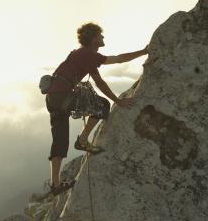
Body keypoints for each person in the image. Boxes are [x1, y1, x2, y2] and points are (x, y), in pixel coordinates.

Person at [45, 22, 148, 195]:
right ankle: (83, 140)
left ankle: (55, 185)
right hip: (64, 96)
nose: (103, 38)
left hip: (53, 99)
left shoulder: (80, 53)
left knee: (60, 141)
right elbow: (100, 81)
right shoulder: (88, 54)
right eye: (100, 36)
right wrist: (118, 101)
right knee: (102, 105)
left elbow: (117, 59)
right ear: (93, 39)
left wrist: (143, 52)